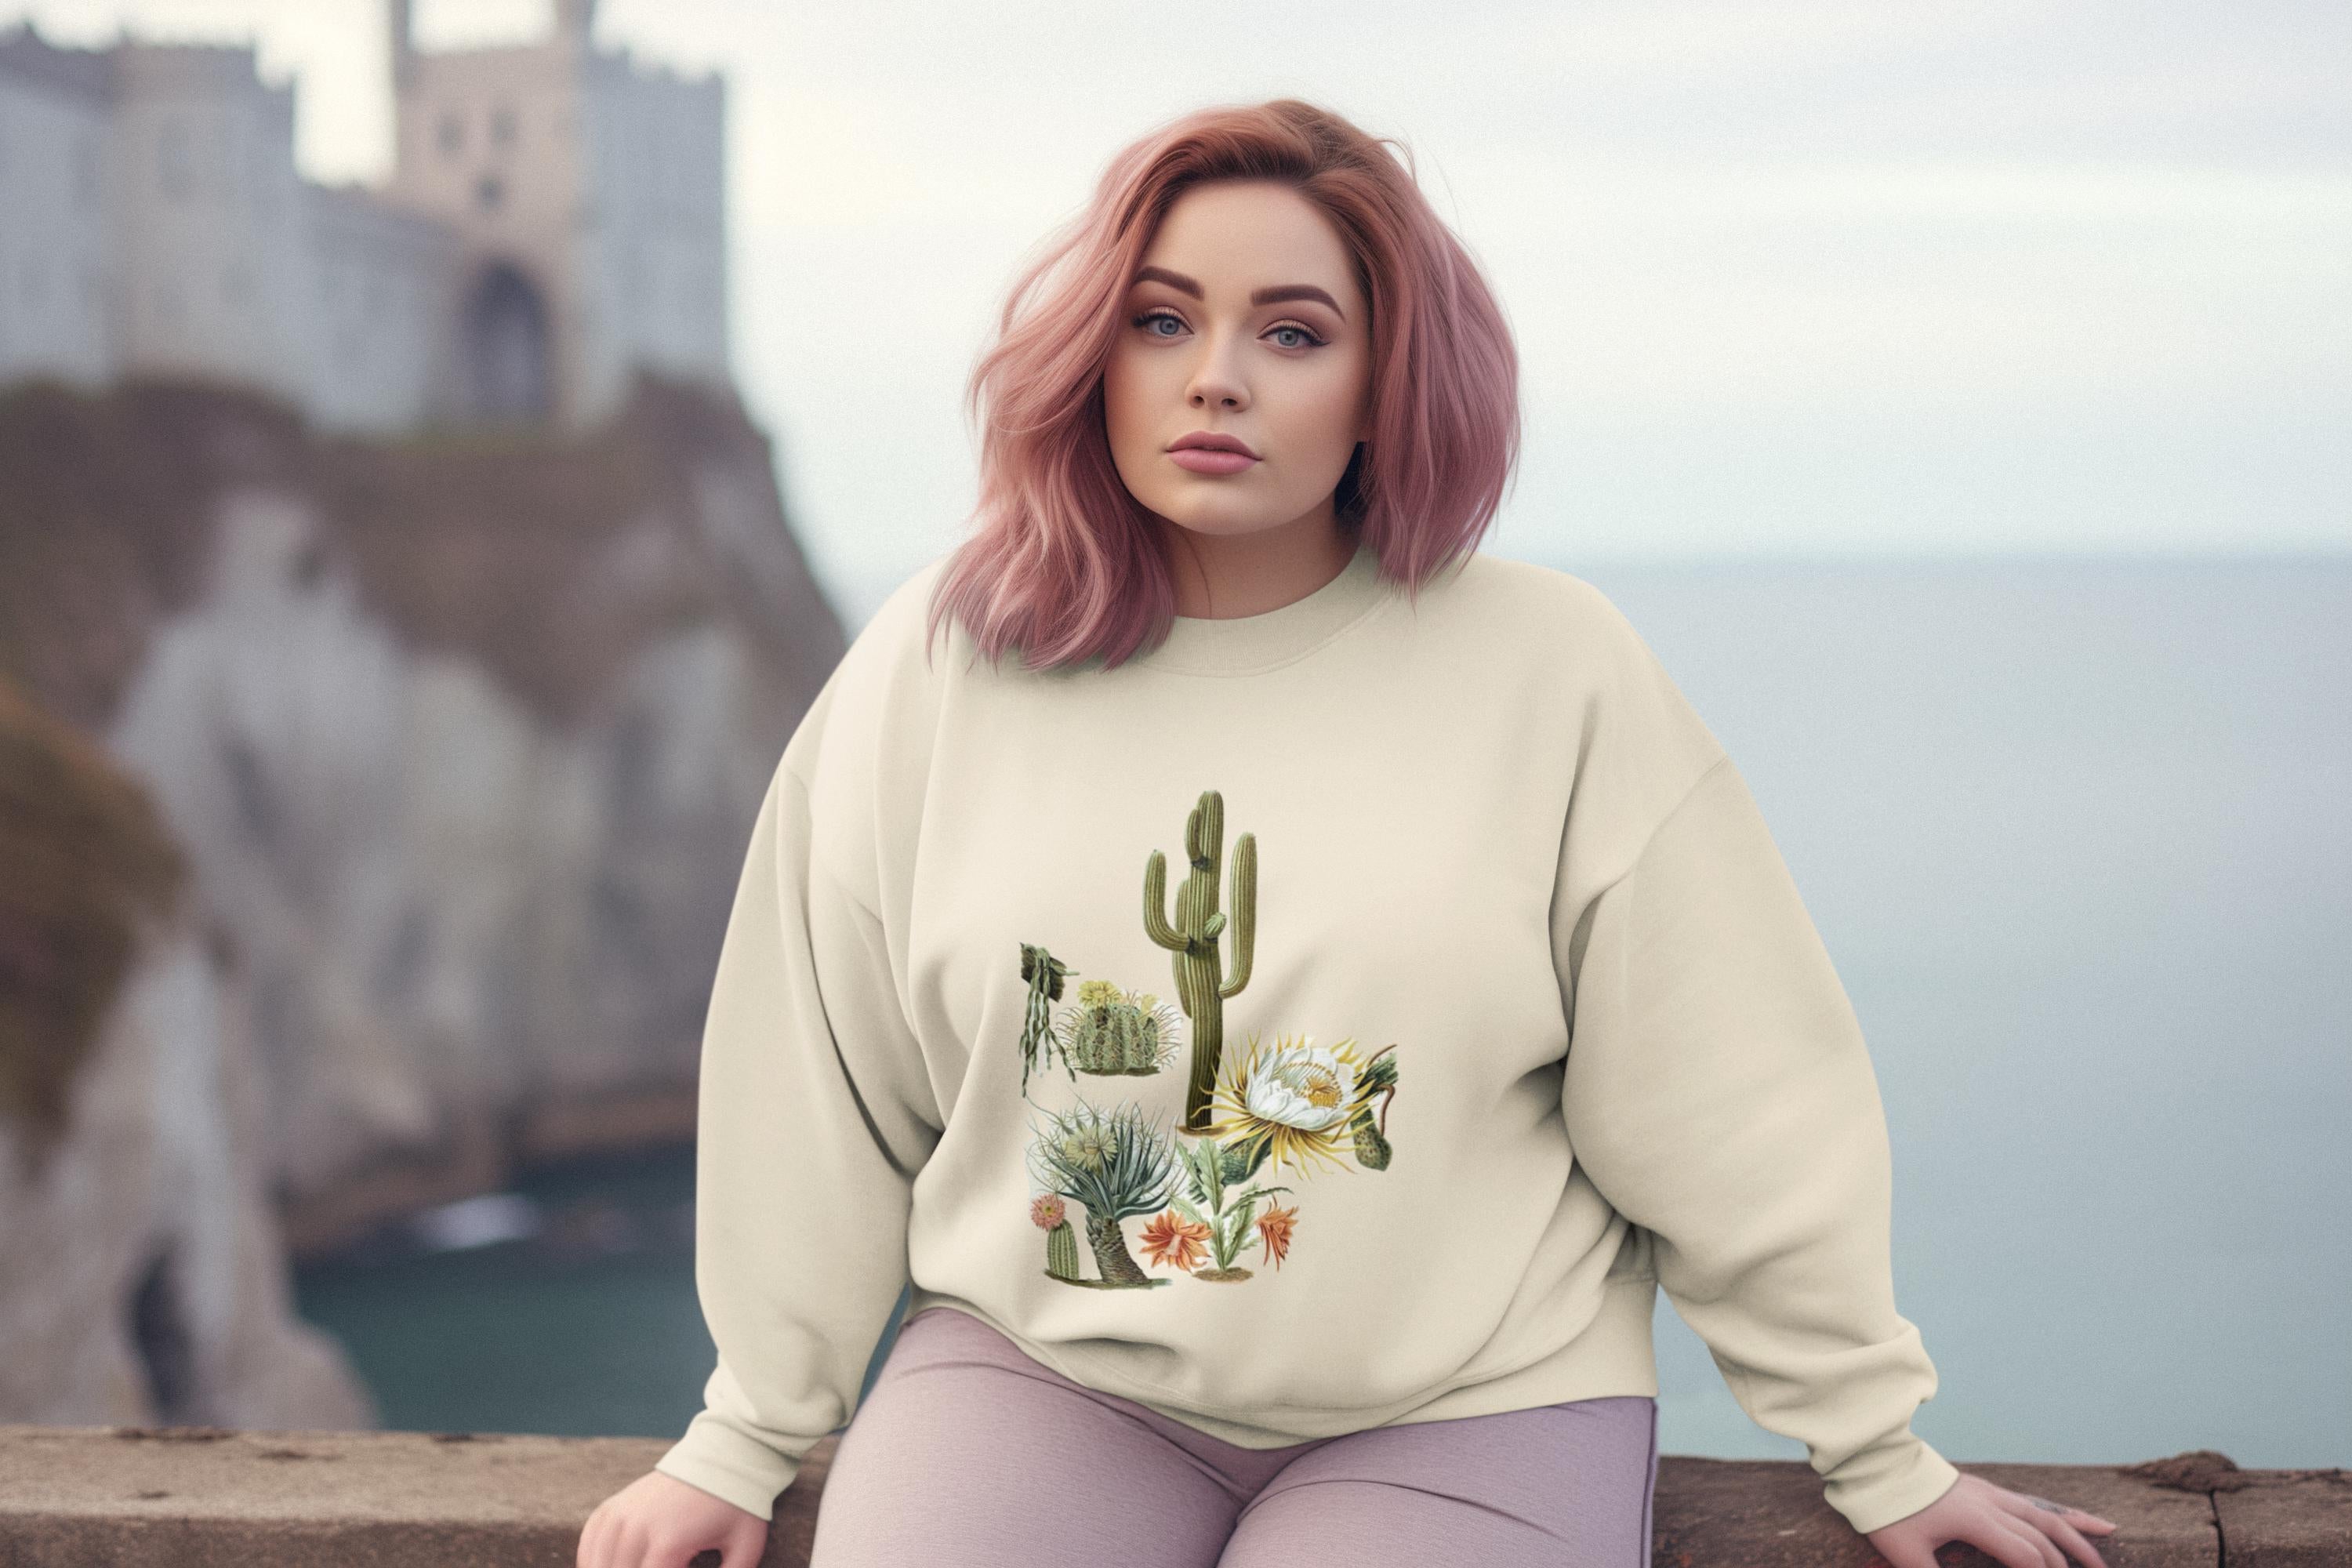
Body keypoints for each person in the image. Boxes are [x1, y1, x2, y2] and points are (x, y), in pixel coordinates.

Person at [577, 99, 2122, 1568]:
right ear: (1094, 355)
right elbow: (820, 1071)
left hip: (1473, 1402)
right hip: (1044, 1372)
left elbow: (1730, 1096)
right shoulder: (944, 660)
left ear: (1389, 382)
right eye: (1162, 320)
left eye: (1294, 333)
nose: (1215, 378)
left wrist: (1872, 1441)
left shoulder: (1557, 671)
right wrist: (744, 1430)